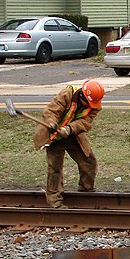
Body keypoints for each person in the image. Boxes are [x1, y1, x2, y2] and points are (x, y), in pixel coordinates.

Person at [33, 79, 105, 208]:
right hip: (53, 136)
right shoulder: (67, 94)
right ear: (82, 95)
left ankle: (86, 190)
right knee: (55, 168)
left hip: (73, 135)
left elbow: (86, 123)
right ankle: (55, 201)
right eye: (88, 103)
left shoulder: (95, 105)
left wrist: (69, 129)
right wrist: (51, 123)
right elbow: (51, 111)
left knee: (89, 161)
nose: (90, 106)